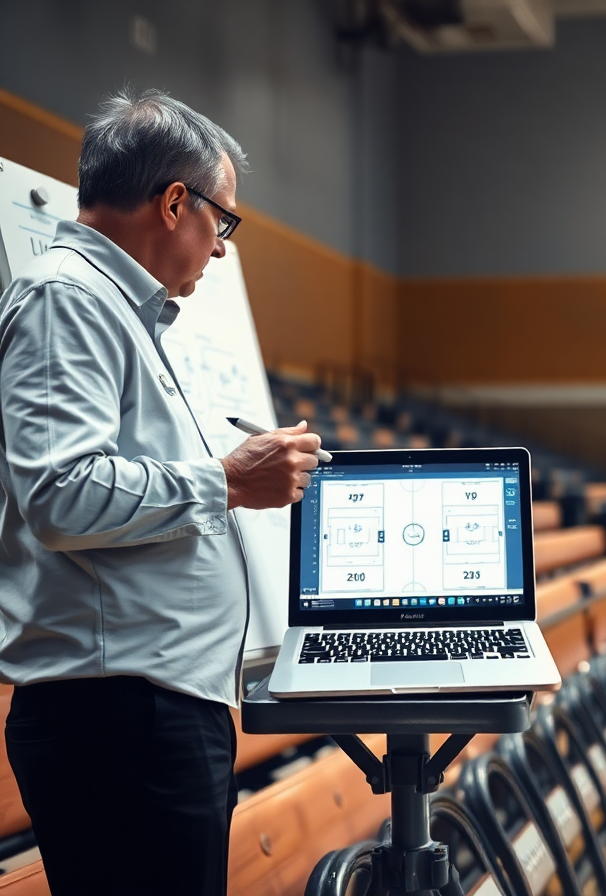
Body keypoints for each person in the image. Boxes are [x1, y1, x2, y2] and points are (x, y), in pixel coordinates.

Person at [0, 89, 323, 896]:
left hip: (147, 709)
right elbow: (62, 494)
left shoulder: (122, 309)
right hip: (118, 719)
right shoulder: (65, 298)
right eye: (225, 222)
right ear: (175, 201)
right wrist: (227, 480)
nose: (222, 249)